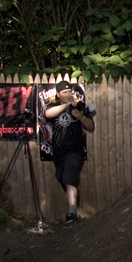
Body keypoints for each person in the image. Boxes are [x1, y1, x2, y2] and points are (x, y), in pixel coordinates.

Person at [44, 81, 95, 227]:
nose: (68, 94)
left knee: (70, 175)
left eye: (69, 91)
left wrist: (82, 118)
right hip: (59, 153)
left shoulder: (80, 107)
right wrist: (66, 105)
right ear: (58, 94)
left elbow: (91, 127)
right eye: (64, 92)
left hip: (75, 151)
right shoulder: (54, 107)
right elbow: (47, 114)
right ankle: (73, 210)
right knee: (61, 177)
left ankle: (71, 213)